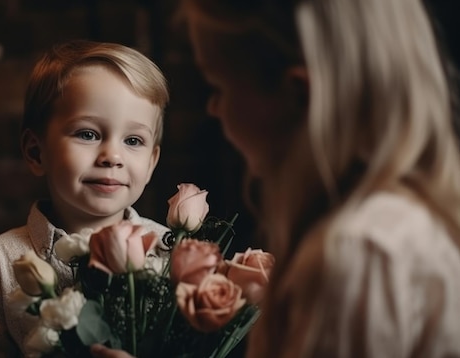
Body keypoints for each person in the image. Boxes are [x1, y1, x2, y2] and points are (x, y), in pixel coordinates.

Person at [91, 0, 460, 357]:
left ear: (298, 97)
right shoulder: (396, 225)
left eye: (219, 88)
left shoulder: (361, 252)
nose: (213, 108)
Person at [0, 39, 170, 357]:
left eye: (133, 140)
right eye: (88, 134)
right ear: (35, 152)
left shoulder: (170, 254)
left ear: (151, 163)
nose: (112, 155)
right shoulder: (0, 263)